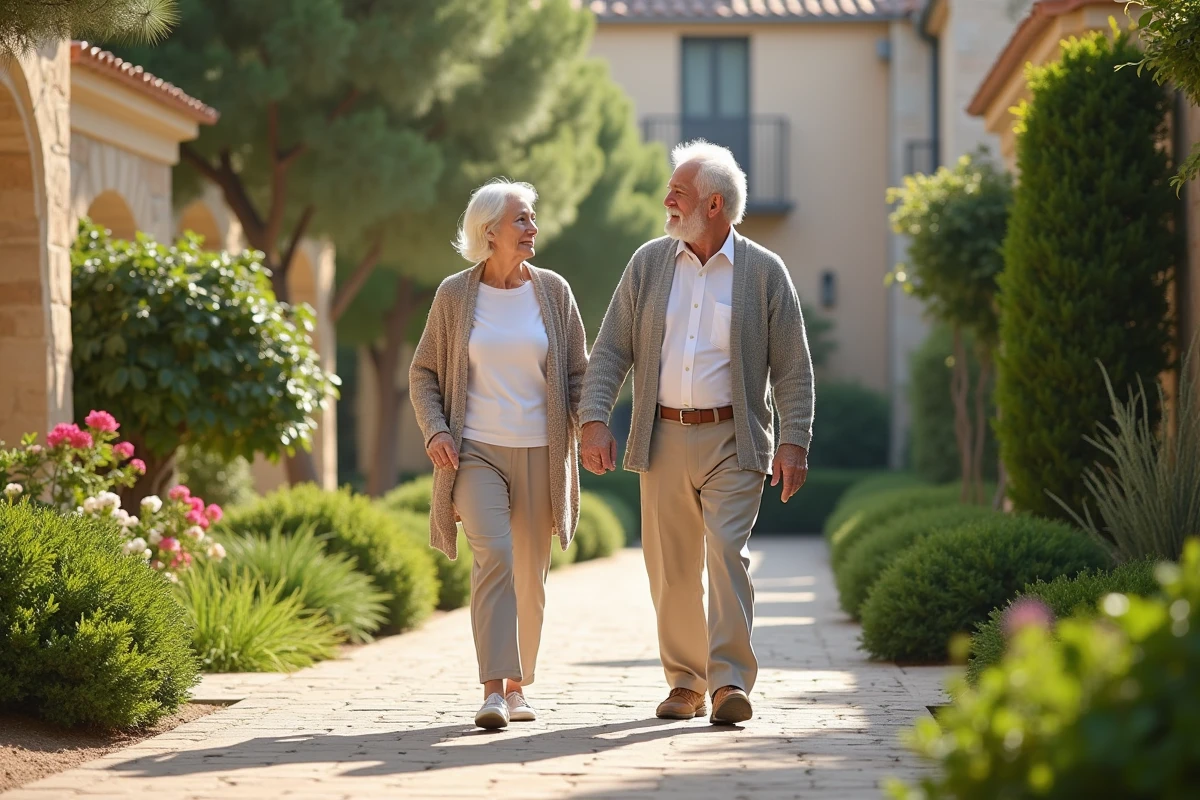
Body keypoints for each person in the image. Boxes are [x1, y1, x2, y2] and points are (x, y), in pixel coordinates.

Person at [578, 140, 815, 725]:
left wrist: (794, 441)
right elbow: (611, 349)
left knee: (726, 553)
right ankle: (685, 683)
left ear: (714, 204)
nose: (666, 201)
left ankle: (728, 682)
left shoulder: (764, 272)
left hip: (735, 439)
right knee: (672, 566)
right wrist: (593, 420)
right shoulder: (649, 263)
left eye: (677, 193)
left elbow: (793, 366)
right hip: (661, 437)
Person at [409, 178, 589, 730]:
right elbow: (423, 372)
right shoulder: (455, 295)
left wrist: (593, 426)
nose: (533, 228)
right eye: (522, 220)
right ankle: (492, 690)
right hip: (474, 451)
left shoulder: (554, 292)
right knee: (495, 560)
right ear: (489, 232)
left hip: (541, 448)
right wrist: (437, 430)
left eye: (532, 219)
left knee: (530, 577)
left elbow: (578, 373)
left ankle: (518, 687)